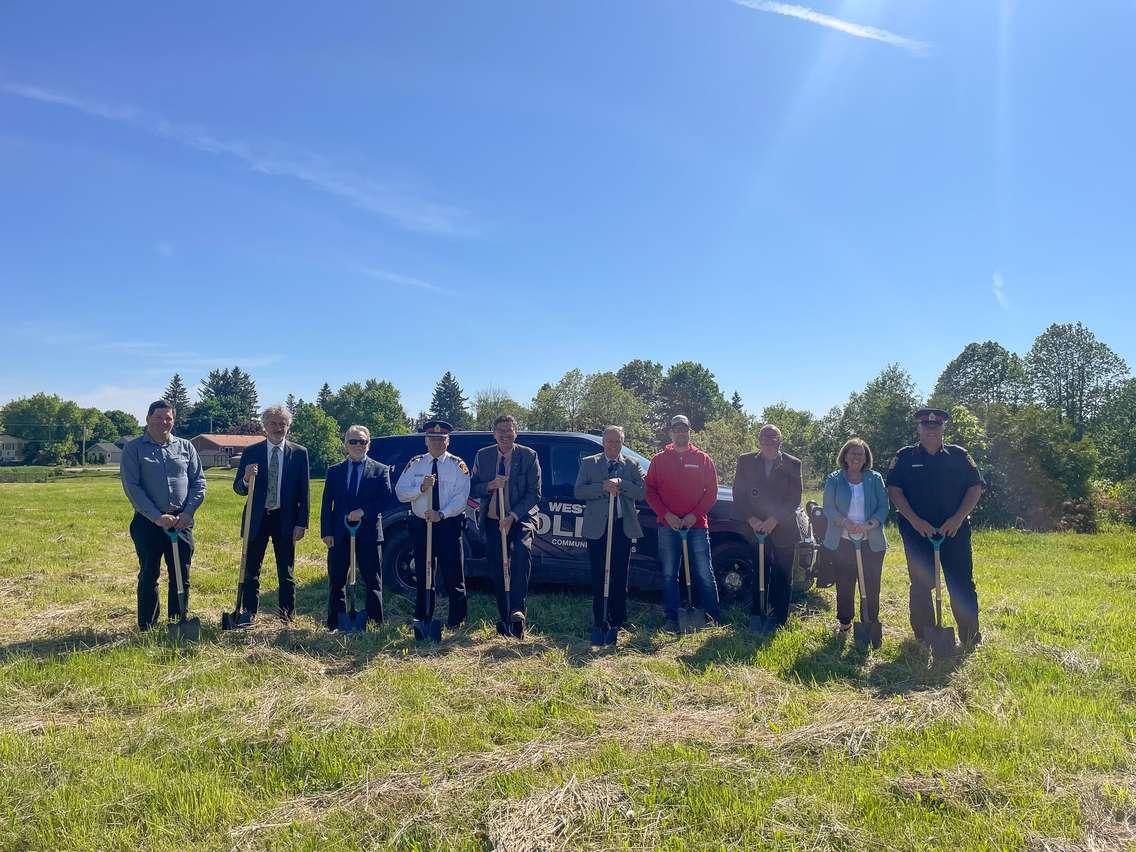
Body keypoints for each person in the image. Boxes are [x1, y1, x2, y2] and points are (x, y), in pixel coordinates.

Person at [886, 407, 986, 649]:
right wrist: (914, 520)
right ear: (918, 428)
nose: (931, 430)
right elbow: (894, 490)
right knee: (921, 585)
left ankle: (970, 637)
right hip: (917, 532)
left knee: (961, 583)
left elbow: (975, 488)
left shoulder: (959, 456)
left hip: (954, 531)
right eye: (926, 426)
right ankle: (924, 636)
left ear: (943, 428)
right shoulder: (905, 457)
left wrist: (958, 518)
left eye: (936, 426)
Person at [120, 399, 206, 631]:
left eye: (168, 418)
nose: (163, 422)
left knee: (181, 573)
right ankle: (147, 625)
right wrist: (157, 516)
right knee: (149, 573)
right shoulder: (134, 448)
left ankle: (178, 622)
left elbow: (199, 482)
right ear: (148, 419)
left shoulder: (186, 447)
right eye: (158, 418)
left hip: (181, 522)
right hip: (148, 523)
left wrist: (188, 513)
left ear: (173, 421)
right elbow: (132, 486)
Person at [232, 404, 310, 622]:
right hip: (256, 520)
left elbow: (304, 492)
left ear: (288, 427)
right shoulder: (251, 452)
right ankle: (248, 613)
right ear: (265, 426)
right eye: (273, 423)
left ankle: (286, 615)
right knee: (251, 570)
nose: (278, 428)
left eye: (282, 424)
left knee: (286, 572)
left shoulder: (299, 453)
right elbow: (238, 489)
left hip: (285, 519)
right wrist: (247, 478)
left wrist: (301, 522)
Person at [645, 414, 721, 632]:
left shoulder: (703, 459)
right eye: (676, 429)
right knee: (669, 573)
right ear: (670, 432)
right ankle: (671, 617)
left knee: (704, 572)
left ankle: (712, 617)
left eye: (684, 429)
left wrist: (694, 515)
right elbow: (650, 491)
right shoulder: (658, 460)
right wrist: (666, 514)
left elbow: (712, 492)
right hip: (668, 526)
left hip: (696, 526)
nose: (681, 433)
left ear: (689, 432)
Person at [394, 419, 472, 630]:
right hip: (421, 525)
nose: (437, 442)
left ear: (448, 441)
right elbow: (400, 492)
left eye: (441, 438)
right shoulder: (416, 463)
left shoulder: (458, 465)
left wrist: (442, 513)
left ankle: (457, 621)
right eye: (433, 438)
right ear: (426, 441)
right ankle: (423, 617)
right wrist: (420, 487)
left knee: (453, 574)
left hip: (448, 525)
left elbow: (461, 496)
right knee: (424, 572)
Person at [469, 414, 542, 637]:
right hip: (493, 519)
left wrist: (512, 516)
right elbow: (472, 487)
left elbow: (534, 493)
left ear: (515, 432)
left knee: (521, 551)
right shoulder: (484, 456)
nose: (505, 434)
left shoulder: (528, 456)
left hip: (521, 518)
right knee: (497, 566)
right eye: (500, 430)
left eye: (509, 430)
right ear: (494, 433)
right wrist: (490, 485)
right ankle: (503, 616)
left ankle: (517, 609)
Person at [574, 425, 645, 635]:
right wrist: (602, 487)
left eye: (617, 441)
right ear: (603, 442)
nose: (613, 445)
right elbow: (579, 491)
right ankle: (600, 618)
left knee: (620, 575)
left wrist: (621, 483)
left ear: (622, 442)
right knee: (599, 575)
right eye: (610, 441)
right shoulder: (590, 463)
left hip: (622, 526)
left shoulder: (631, 465)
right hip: (597, 528)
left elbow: (642, 492)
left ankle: (618, 620)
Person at [320, 425, 392, 630]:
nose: (358, 445)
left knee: (373, 580)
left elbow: (385, 499)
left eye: (362, 441)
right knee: (336, 580)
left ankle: (374, 622)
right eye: (353, 441)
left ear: (368, 444)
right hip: (340, 533)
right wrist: (326, 532)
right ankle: (336, 622)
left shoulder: (380, 470)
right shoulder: (334, 471)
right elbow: (327, 503)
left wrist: (363, 512)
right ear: (346, 445)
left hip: (369, 533)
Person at [732, 424, 804, 626]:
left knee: (782, 574)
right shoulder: (746, 461)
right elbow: (739, 494)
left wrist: (774, 519)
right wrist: (751, 519)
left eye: (773, 438)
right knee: (759, 571)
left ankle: (779, 618)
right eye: (765, 437)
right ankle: (757, 613)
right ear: (759, 440)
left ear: (779, 441)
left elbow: (794, 498)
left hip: (784, 528)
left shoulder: (793, 463)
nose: (769, 441)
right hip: (755, 528)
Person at [822, 438, 890, 633]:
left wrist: (869, 524)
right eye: (852, 453)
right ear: (844, 455)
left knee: (871, 584)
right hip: (842, 540)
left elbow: (883, 506)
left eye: (860, 454)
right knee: (844, 583)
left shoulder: (874, 478)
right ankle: (845, 622)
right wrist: (846, 522)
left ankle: (869, 622)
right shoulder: (834, 478)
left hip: (871, 541)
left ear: (866, 457)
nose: (856, 457)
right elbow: (828, 507)